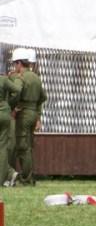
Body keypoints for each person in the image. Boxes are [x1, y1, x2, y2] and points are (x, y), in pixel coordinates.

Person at [10, 47, 47, 186]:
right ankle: (30, 177)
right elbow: (43, 97)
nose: (15, 67)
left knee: (22, 147)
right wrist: (38, 115)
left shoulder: (21, 77)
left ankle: (26, 179)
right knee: (29, 146)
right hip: (33, 113)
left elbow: (16, 92)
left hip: (24, 113)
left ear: (19, 63)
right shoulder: (36, 77)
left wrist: (12, 107)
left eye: (15, 64)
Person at [0, 56, 22, 186]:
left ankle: (8, 174)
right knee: (2, 147)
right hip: (4, 113)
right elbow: (17, 90)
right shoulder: (4, 79)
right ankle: (8, 175)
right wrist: (18, 78)